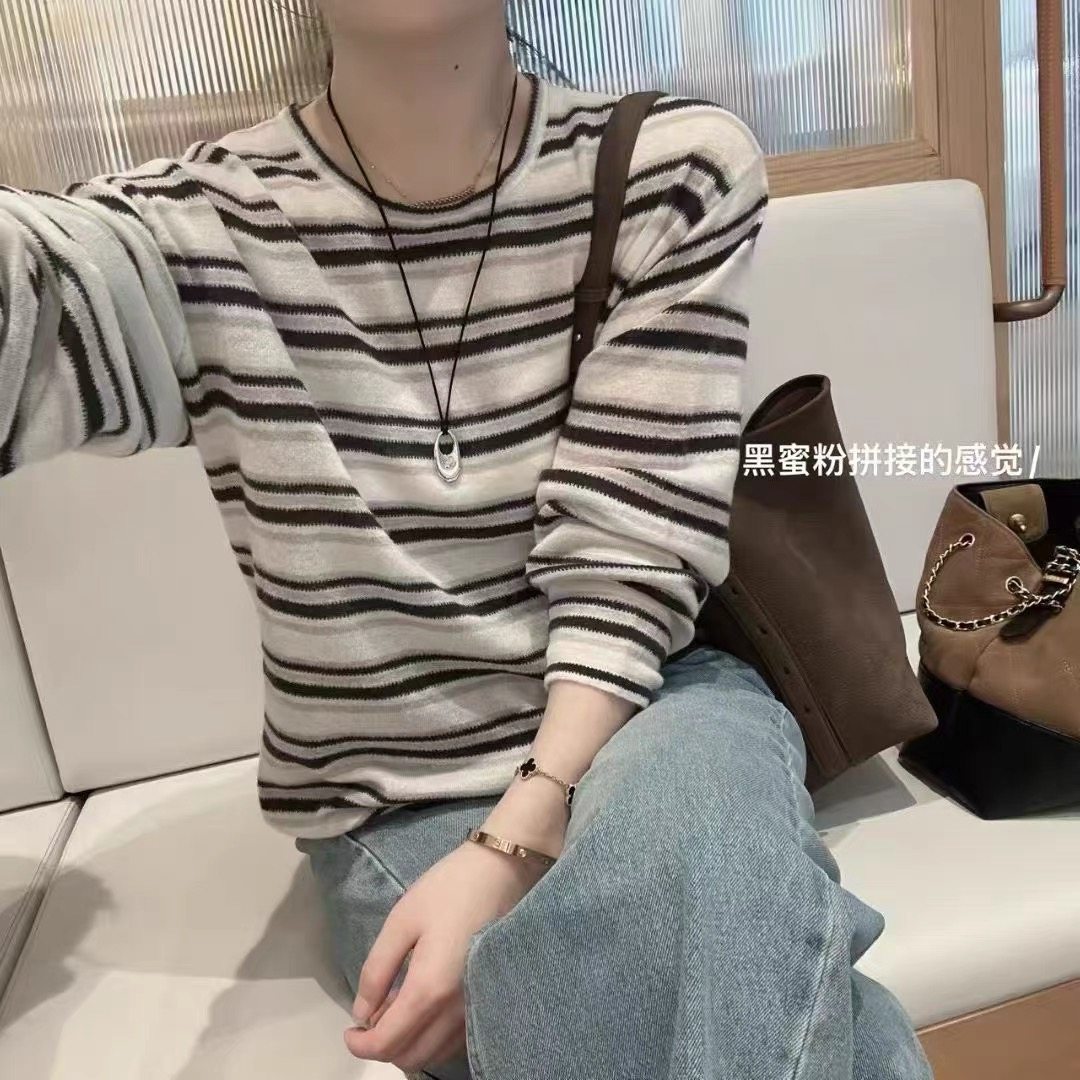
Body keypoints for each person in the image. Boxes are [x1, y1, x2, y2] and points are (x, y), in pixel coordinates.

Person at [0, 1, 933, 1077]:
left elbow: (630, 558)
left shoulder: (669, 172)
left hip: (659, 710)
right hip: (405, 799)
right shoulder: (186, 233)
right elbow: (35, 293)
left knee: (698, 842)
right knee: (837, 1036)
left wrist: (512, 845)